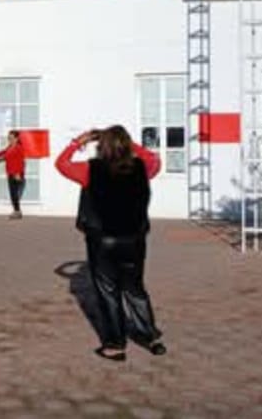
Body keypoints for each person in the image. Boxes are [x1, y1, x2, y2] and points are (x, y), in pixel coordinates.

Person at [55, 125, 167, 361]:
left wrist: (78, 141)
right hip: (134, 240)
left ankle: (115, 345)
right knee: (135, 288)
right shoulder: (142, 167)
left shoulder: (90, 169)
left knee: (108, 292)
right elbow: (153, 158)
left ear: (100, 146)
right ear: (127, 145)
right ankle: (151, 336)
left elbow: (61, 163)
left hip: (102, 241)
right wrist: (129, 144)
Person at [0, 130, 26, 219]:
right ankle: (17, 211)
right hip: (10, 172)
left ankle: (17, 212)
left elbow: (16, 161)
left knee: (14, 194)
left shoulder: (18, 148)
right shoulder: (10, 147)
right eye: (9, 138)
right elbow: (3, 153)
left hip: (16, 173)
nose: (10, 140)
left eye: (11, 138)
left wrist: (18, 173)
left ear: (16, 138)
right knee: (13, 193)